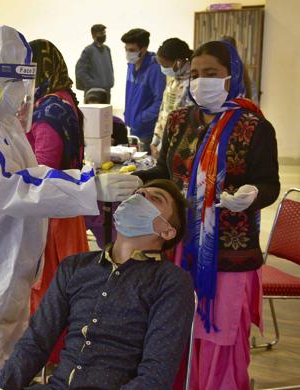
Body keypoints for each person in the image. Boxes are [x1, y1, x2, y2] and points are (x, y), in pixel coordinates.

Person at [0, 25, 142, 389]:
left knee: (0, 355)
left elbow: (29, 170)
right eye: (15, 79)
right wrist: (88, 188)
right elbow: (8, 186)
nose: (22, 91)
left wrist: (82, 180)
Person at [133, 41, 280, 389]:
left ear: (232, 76)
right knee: (177, 328)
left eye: (212, 74)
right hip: (180, 243)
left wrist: (253, 195)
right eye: (196, 74)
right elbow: (165, 169)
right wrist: (134, 181)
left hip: (229, 253)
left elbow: (269, 184)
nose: (202, 82)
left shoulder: (254, 126)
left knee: (219, 334)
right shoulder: (180, 119)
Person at [0, 179, 195, 389]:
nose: (140, 197)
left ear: (167, 231)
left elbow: (155, 376)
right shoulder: (75, 267)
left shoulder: (170, 282)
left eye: (155, 199)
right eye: (137, 192)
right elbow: (36, 342)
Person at [26, 39, 89, 316]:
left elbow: (44, 168)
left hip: (51, 214)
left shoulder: (49, 109)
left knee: (51, 295)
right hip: (62, 208)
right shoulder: (62, 99)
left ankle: (51, 356)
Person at [121, 28, 166, 153]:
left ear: (143, 50)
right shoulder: (131, 65)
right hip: (134, 126)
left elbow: (160, 101)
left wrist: (141, 119)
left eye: (132, 50)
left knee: (144, 168)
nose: (128, 54)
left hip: (147, 129)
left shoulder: (155, 69)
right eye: (126, 50)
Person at [151, 38, 193, 158]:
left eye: (165, 65)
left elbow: (190, 122)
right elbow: (163, 111)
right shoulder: (173, 80)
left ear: (178, 62)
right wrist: (155, 141)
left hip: (181, 148)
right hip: (164, 144)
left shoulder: (193, 83)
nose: (163, 69)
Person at [74, 24, 114, 103]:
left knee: (104, 115)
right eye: (100, 33)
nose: (103, 35)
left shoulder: (107, 49)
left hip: (106, 92)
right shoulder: (89, 51)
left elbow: (109, 68)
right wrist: (94, 84)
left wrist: (110, 82)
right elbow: (80, 71)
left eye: (104, 33)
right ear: (93, 35)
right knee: (92, 115)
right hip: (93, 94)